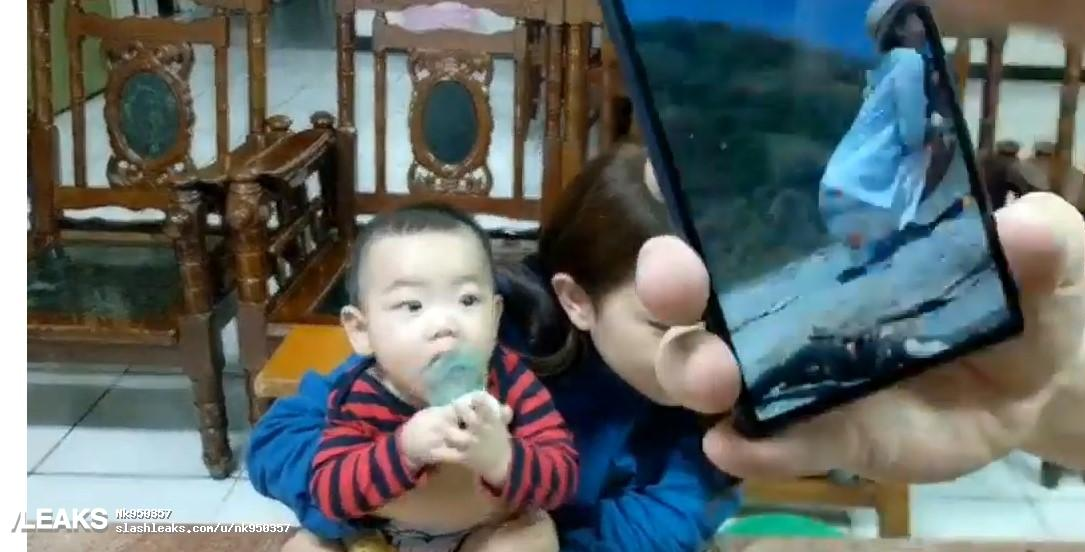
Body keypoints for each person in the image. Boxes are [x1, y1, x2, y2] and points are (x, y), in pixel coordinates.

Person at [633, 0, 1085, 499]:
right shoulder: (901, 69)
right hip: (867, 190)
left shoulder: (885, 69)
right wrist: (1046, 371)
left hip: (852, 184)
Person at [248, 143, 742, 552]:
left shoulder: (714, 406)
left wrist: (502, 477)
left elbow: (664, 525)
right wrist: (397, 477)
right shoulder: (473, 340)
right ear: (576, 300)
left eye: (722, 327)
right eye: (664, 326)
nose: (708, 359)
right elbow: (280, 440)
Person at [304, 204, 579, 551]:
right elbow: (329, 494)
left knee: (534, 535)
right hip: (384, 538)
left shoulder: (510, 380)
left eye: (467, 300)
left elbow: (563, 478)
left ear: (495, 317)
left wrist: (502, 458)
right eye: (412, 306)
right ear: (361, 330)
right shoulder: (360, 397)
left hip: (485, 532)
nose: (446, 325)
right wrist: (404, 450)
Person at [820, 0, 934, 283]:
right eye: (918, 17)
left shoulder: (883, 68)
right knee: (941, 140)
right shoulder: (910, 61)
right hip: (863, 198)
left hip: (836, 191)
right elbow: (913, 136)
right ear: (900, 28)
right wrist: (936, 124)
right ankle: (907, 220)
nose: (927, 23)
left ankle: (872, 241)